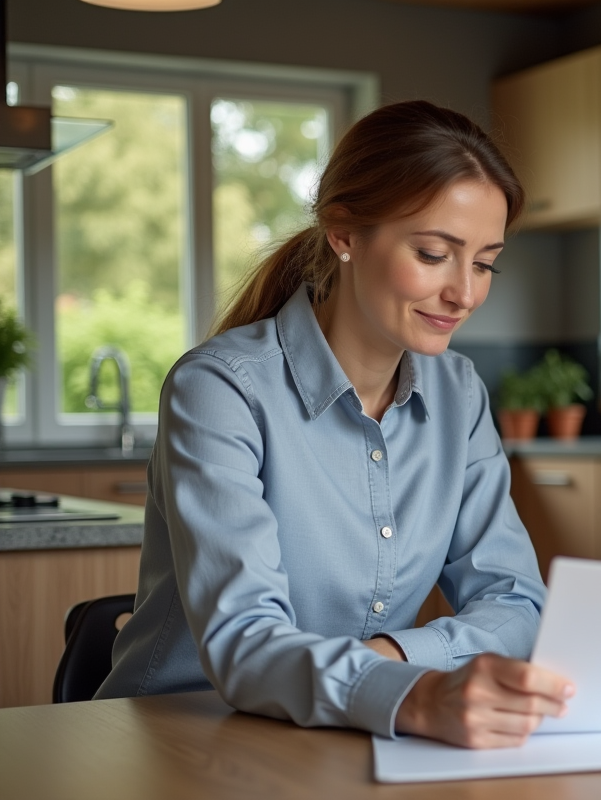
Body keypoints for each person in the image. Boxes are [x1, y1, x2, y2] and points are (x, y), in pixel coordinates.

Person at [97, 101, 573, 749]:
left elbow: (517, 602)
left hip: (350, 735)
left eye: (485, 262)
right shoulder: (220, 388)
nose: (465, 292)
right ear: (344, 234)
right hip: (183, 733)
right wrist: (415, 687)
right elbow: (244, 641)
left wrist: (391, 660)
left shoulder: (458, 394)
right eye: (434, 253)